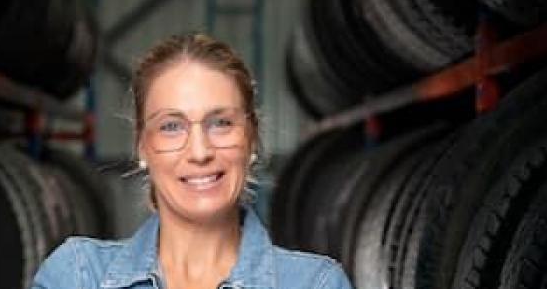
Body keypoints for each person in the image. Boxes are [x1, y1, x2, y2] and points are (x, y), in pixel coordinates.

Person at [31, 33, 353, 289]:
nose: (199, 152)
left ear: (251, 139)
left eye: (221, 123)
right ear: (142, 146)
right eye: (172, 127)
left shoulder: (316, 283)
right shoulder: (77, 277)